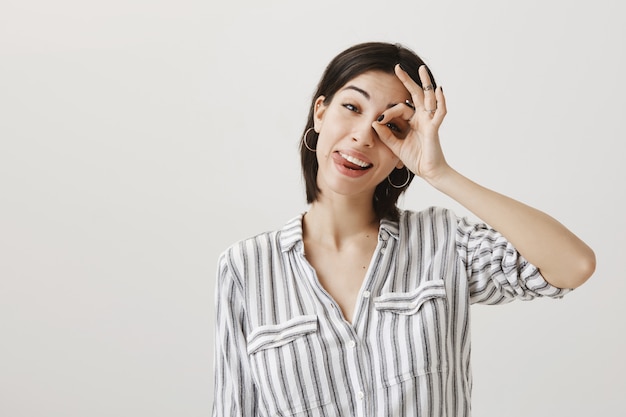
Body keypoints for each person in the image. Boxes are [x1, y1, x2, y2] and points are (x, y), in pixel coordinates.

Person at [212, 42, 595, 417]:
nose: (363, 136)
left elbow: (572, 264)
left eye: (392, 125)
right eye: (351, 107)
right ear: (320, 113)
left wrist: (438, 173)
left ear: (402, 154)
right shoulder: (246, 268)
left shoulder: (444, 242)